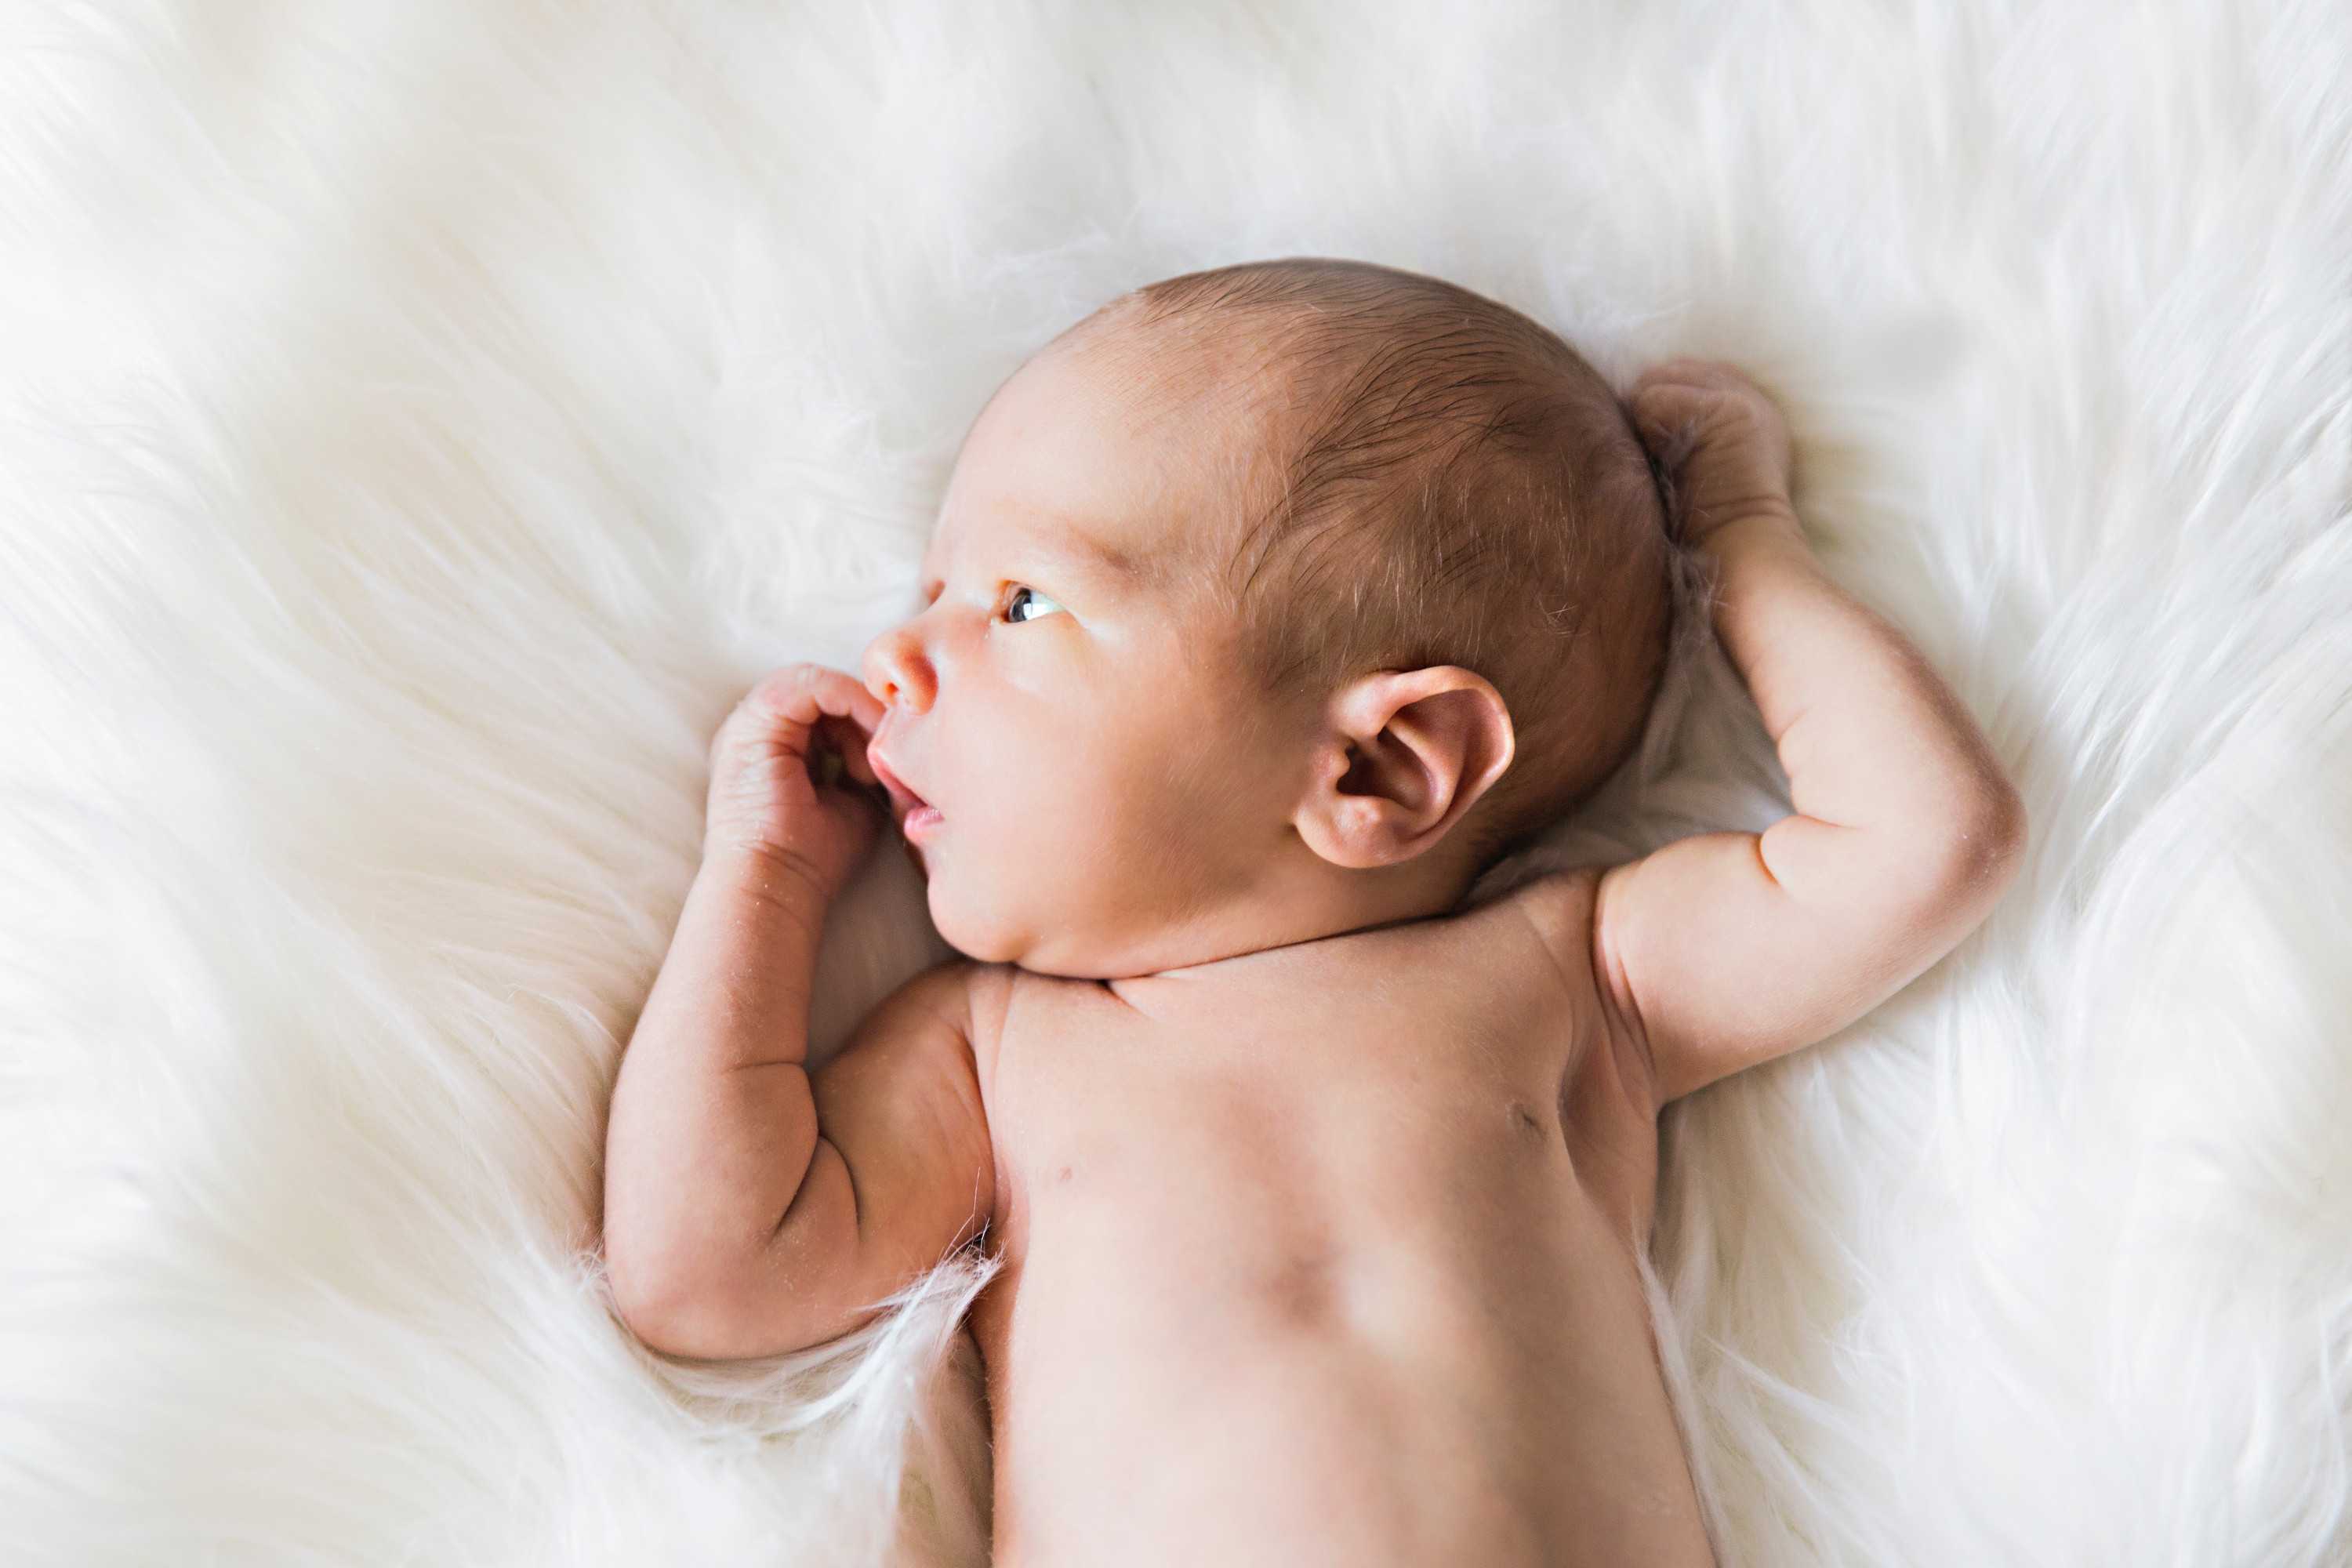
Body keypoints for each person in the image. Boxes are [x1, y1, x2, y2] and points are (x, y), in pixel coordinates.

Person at [600, 257, 2027, 1566]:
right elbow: (708, 1269)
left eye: (1022, 603)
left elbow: (1925, 840)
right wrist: (765, 876)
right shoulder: (993, 1055)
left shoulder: (1578, 981)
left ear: (1376, 768)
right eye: (936, 592)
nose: (894, 656)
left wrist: (1743, 543)